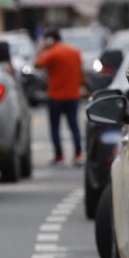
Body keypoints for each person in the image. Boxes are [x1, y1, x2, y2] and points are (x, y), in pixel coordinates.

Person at [35, 28, 86, 166]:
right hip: (73, 96)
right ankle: (78, 155)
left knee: (55, 128)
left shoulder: (52, 53)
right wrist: (83, 88)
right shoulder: (75, 52)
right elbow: (81, 75)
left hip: (55, 97)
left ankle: (59, 157)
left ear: (49, 40)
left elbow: (37, 64)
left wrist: (41, 49)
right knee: (74, 126)